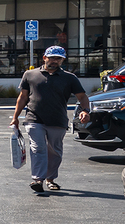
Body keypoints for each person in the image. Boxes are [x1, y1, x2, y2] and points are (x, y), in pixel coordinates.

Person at [13, 45, 87, 195]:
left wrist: (85, 110)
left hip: (58, 120)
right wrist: (15, 117)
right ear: (44, 58)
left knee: (54, 152)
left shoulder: (69, 78)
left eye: (58, 58)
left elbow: (82, 97)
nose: (55, 61)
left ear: (62, 61)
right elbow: (23, 97)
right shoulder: (30, 74)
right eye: (52, 58)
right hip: (34, 118)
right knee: (37, 148)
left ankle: (50, 179)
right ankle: (38, 180)